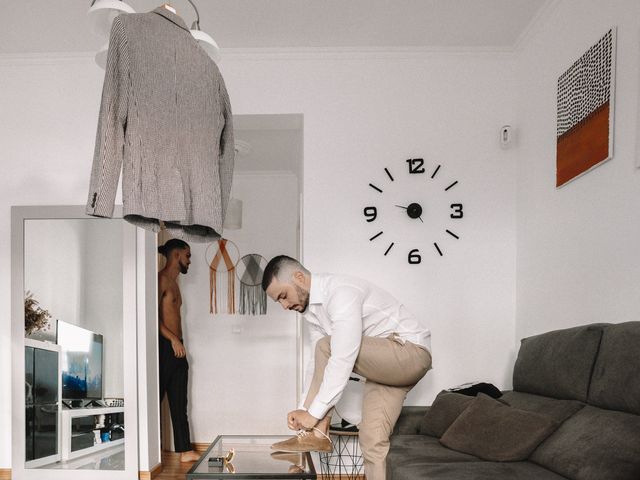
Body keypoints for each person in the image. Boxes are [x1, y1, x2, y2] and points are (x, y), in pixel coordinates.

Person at [262, 255, 432, 480]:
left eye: (283, 296)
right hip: (384, 368)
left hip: (410, 353)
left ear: (299, 277)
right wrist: (303, 406)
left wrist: (313, 415)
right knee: (372, 439)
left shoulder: (341, 293)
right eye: (279, 302)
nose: (284, 306)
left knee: (328, 346)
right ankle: (316, 433)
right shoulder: (312, 313)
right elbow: (316, 365)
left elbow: (342, 357)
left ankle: (319, 432)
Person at [157, 239, 199, 463]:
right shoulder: (160, 280)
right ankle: (147, 448)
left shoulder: (175, 283)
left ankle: (185, 451)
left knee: (179, 401)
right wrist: (173, 339)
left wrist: (178, 341)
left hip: (177, 346)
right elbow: (151, 317)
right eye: (188, 255)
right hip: (165, 345)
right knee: (156, 398)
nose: (189, 261)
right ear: (176, 255)